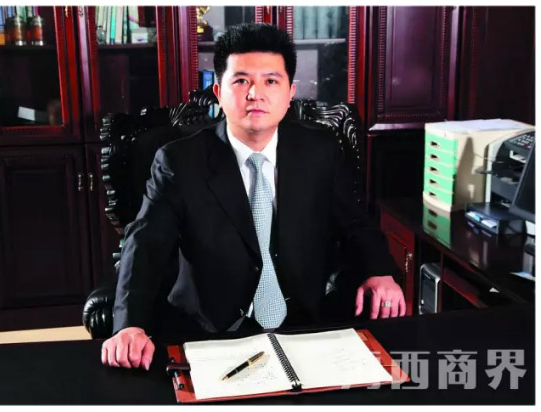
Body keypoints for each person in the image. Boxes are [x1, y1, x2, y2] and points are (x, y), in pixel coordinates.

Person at [101, 23, 404, 371]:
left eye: (271, 81)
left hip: (303, 324)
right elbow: (146, 242)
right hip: (209, 330)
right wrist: (129, 325)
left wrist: (380, 271)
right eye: (241, 81)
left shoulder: (318, 150)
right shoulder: (179, 162)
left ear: (290, 93)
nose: (255, 94)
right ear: (218, 92)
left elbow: (353, 221)